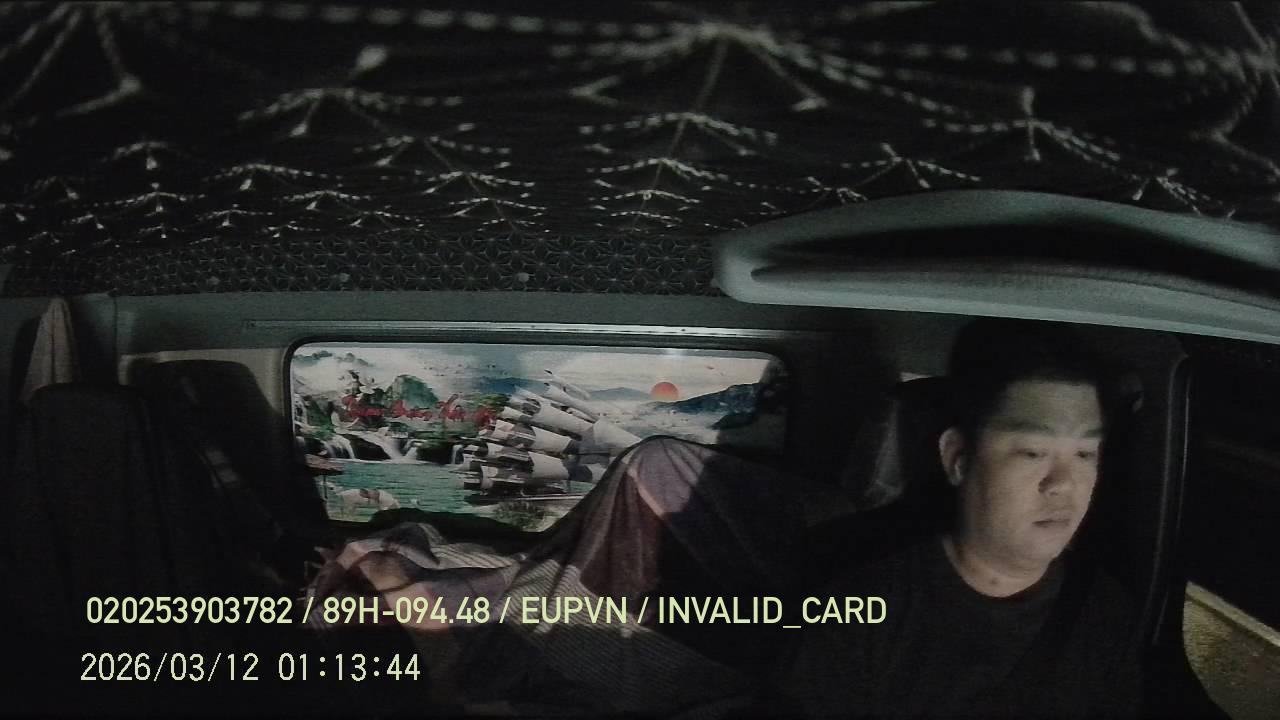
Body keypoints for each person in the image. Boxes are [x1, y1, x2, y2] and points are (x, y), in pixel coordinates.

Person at [778, 319, 1143, 719]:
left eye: (1085, 455)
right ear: (958, 458)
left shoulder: (1105, 613)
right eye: (1033, 452)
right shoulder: (859, 608)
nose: (1063, 484)